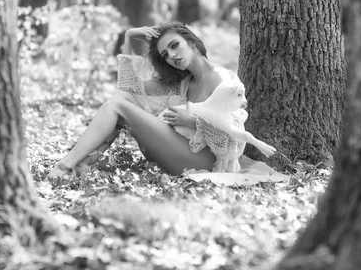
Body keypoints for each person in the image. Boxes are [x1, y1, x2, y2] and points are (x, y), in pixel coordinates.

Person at [47, 22, 251, 178]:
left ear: (192, 42)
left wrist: (193, 122)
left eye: (174, 45)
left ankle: (65, 166)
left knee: (117, 106)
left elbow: (235, 140)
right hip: (177, 153)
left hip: (202, 161)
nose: (172, 55)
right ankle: (81, 166)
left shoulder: (219, 77)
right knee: (119, 102)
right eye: (166, 54)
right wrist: (129, 37)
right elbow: (127, 89)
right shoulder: (185, 83)